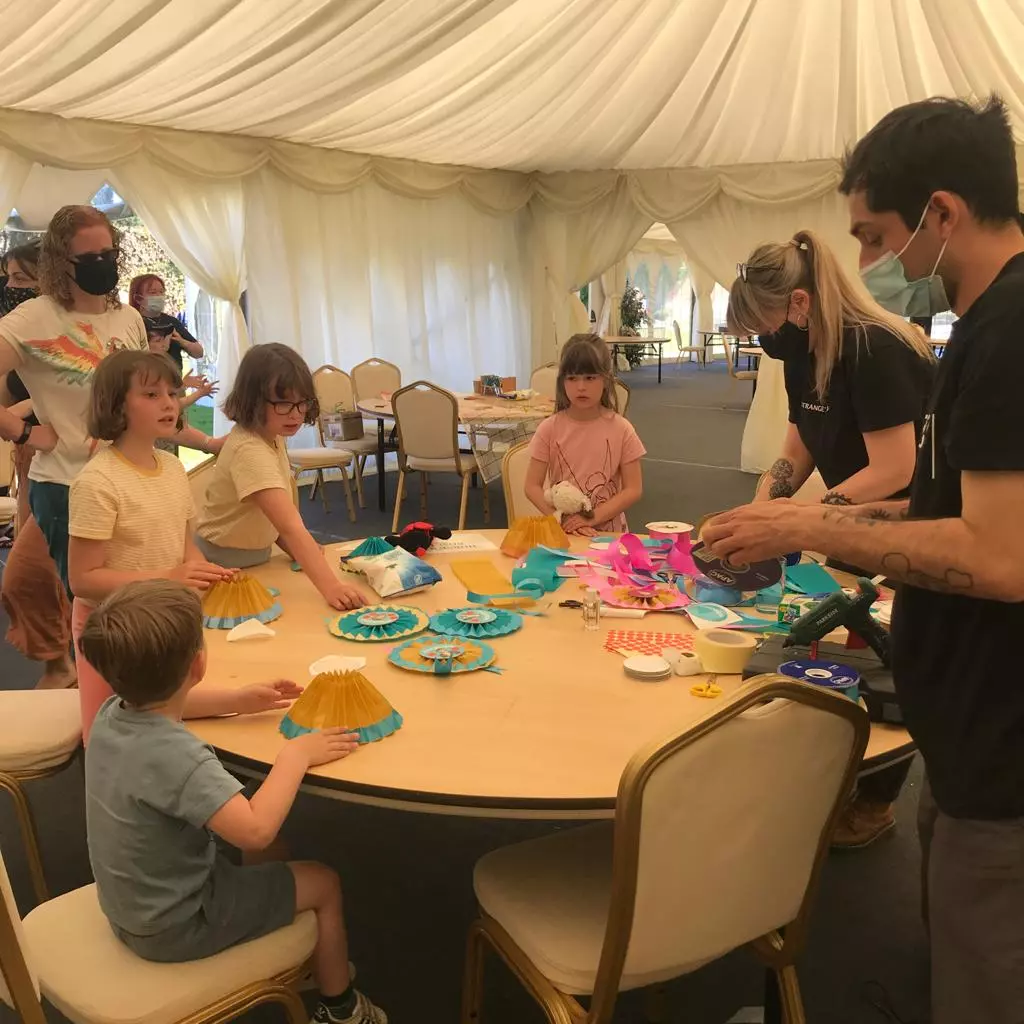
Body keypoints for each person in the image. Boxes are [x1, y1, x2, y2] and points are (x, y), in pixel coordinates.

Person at [703, 95, 1024, 1024]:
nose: (874, 264)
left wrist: (807, 528)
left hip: (1002, 744)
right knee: (955, 937)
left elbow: (999, 557)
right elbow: (937, 503)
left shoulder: (1004, 334)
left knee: (989, 968)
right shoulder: (986, 326)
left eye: (876, 237)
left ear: (942, 213)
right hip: (968, 735)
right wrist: (787, 510)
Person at [80, 580, 386, 1024]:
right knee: (322, 882)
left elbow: (170, 705)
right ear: (199, 662)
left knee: (266, 853)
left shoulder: (112, 713)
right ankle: (343, 1009)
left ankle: (296, 952)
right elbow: (257, 827)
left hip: (133, 907)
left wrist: (239, 701)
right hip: (179, 926)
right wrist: (295, 755)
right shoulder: (180, 759)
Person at [727, 230, 936, 848]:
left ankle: (875, 802)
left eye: (765, 325)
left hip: (908, 527)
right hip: (849, 518)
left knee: (888, 659)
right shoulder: (801, 351)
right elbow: (801, 442)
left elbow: (896, 469)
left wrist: (799, 521)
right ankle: (842, 773)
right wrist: (764, 502)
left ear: (798, 303)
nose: (763, 343)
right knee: (847, 646)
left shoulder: (873, 349)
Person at [0, 205, 220, 595]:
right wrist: (24, 432)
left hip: (135, 479)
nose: (101, 264)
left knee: (150, 593)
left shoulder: (128, 319)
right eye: (88, 258)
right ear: (59, 261)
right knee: (100, 613)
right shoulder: (32, 318)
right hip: (70, 485)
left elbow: (146, 402)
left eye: (109, 255)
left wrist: (208, 443)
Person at [68, 349, 236, 741]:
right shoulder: (98, 483)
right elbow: (83, 580)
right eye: (151, 395)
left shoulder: (174, 468)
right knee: (113, 739)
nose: (168, 403)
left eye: (172, 393)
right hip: (112, 632)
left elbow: (184, 545)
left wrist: (200, 575)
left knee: (166, 728)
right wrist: (171, 578)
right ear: (116, 406)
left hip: (163, 621)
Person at [195, 344, 364, 610]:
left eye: (302, 403)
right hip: (221, 565)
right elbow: (289, 525)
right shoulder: (249, 450)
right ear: (252, 400)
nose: (296, 414)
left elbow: (267, 517)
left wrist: (294, 547)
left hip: (254, 557)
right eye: (284, 403)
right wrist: (333, 588)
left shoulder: (270, 435)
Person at [0, 242, 75, 688]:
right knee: (35, 576)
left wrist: (29, 418)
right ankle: (61, 665)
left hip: (68, 463)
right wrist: (22, 431)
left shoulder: (67, 329)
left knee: (35, 574)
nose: (11, 287)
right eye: (9, 278)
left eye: (22, 280)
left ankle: (76, 669)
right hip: (35, 459)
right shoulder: (19, 327)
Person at [524, 333, 645, 535]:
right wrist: (560, 519)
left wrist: (592, 518)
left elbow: (633, 489)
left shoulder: (622, 429)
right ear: (562, 381)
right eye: (572, 378)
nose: (581, 387)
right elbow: (531, 486)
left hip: (609, 535)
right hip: (565, 533)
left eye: (590, 378)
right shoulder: (549, 428)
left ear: (606, 379)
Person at [129, 273, 205, 372]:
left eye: (161, 292)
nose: (159, 296)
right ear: (138, 298)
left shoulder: (172, 322)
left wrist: (182, 341)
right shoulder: (133, 322)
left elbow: (199, 353)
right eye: (153, 292)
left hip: (176, 383)